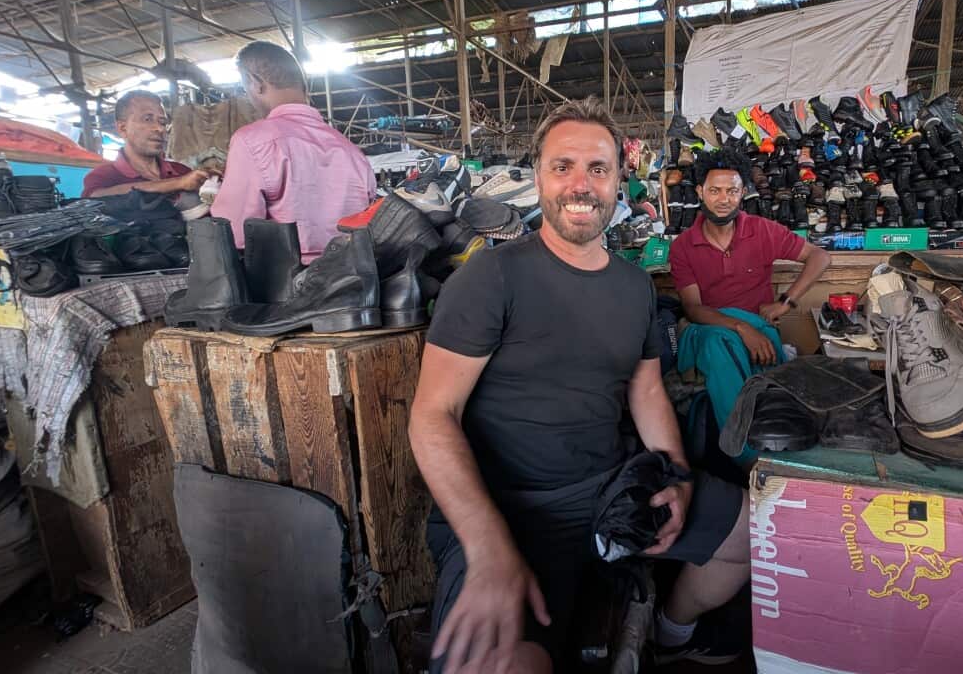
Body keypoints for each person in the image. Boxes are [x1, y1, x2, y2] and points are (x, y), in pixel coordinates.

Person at [408, 97, 749, 674]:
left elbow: (645, 390)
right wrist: (487, 548)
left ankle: (670, 631)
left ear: (620, 179)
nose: (581, 185)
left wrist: (679, 474)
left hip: (608, 488)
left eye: (598, 168)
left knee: (749, 537)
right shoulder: (490, 277)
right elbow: (432, 414)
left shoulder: (634, 286)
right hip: (507, 511)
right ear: (538, 175)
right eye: (563, 166)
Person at [667, 150, 831, 434]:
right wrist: (742, 327)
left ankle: (769, 443)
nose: (723, 199)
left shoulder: (762, 230)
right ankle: (743, 453)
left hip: (759, 331)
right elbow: (693, 309)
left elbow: (820, 257)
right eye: (715, 190)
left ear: (743, 192)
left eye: (732, 190)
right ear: (700, 192)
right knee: (720, 344)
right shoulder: (683, 245)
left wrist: (784, 303)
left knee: (768, 382)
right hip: (708, 332)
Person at [211, 41, 374, 262]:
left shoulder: (252, 141)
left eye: (245, 88)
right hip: (355, 279)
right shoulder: (351, 150)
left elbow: (233, 232)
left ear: (256, 83)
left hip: (289, 286)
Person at [82, 90, 213, 198]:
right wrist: (177, 183)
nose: (159, 129)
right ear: (123, 128)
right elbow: (94, 197)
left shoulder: (181, 171)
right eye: (147, 119)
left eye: (162, 122)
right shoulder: (104, 176)